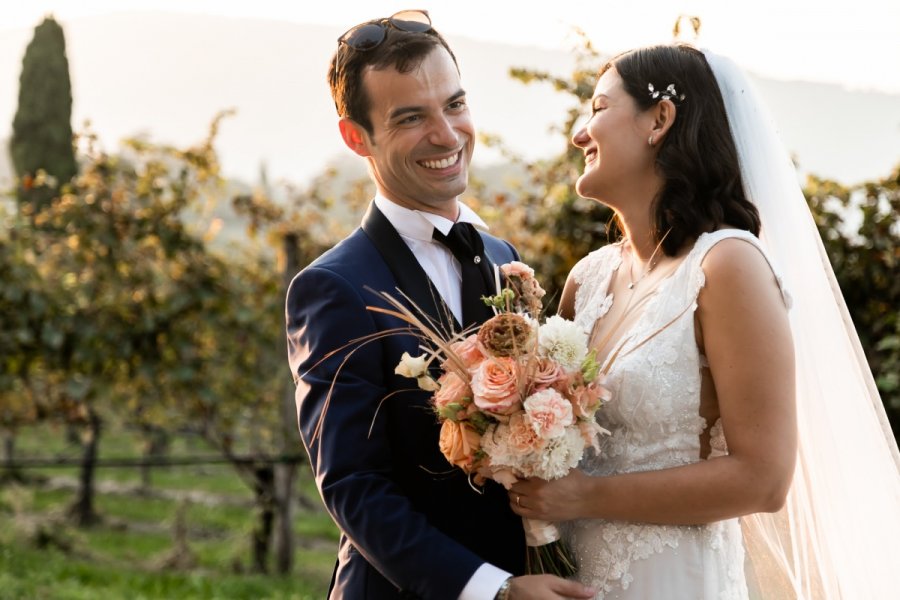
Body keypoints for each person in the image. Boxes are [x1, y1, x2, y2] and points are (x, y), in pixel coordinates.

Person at [509, 43, 900, 599]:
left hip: (674, 581)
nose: (579, 133)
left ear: (660, 120)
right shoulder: (587, 280)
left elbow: (763, 479)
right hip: (574, 577)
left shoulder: (726, 265)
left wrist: (584, 497)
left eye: (598, 108)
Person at [285, 10, 595, 600]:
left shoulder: (504, 257)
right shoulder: (334, 287)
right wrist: (494, 591)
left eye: (454, 105)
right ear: (357, 138)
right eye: (410, 118)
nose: (448, 136)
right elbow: (354, 487)